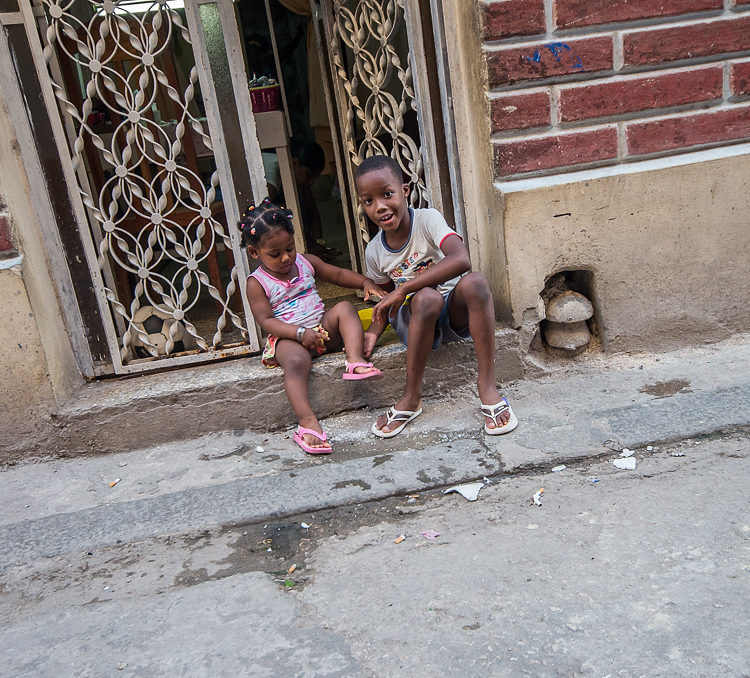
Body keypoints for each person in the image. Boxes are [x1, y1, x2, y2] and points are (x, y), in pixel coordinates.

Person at [356, 155, 518, 438]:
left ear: (405, 191)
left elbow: (461, 259)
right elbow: (384, 300)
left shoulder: (428, 219)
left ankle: (488, 387)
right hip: (417, 319)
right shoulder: (374, 252)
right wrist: (372, 331)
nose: (379, 206)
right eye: (368, 201)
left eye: (387, 194)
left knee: (476, 283)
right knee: (427, 297)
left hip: (450, 313)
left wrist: (404, 287)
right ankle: (411, 397)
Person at [242, 199, 384, 455]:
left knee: (344, 308)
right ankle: (307, 421)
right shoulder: (257, 283)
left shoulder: (306, 262)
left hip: (322, 329)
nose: (285, 257)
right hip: (289, 339)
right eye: (275, 254)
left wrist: (364, 282)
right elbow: (266, 322)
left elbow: (337, 275)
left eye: (289, 248)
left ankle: (354, 359)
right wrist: (299, 333)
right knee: (295, 362)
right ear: (255, 253)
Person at [263, 139, 341, 261]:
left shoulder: (297, 174)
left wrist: (318, 245)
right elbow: (264, 215)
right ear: (295, 163)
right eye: (309, 175)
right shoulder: (272, 172)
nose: (310, 182)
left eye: (314, 178)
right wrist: (308, 244)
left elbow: (312, 210)